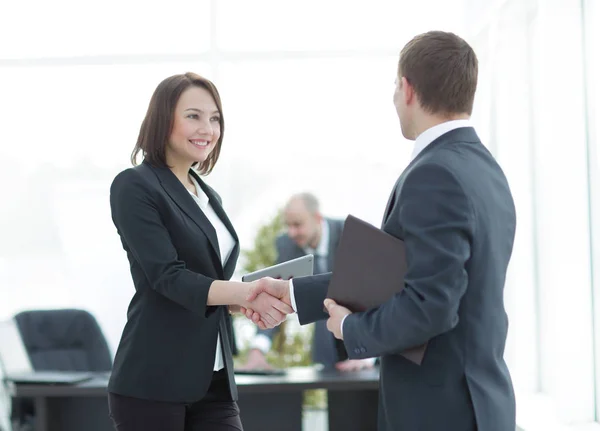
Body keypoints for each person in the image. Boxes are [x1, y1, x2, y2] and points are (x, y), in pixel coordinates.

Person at [244, 31, 517, 431]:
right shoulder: (485, 170)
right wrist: (291, 292)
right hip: (475, 404)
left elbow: (430, 304)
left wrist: (350, 328)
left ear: (407, 88)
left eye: (394, 85)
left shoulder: (434, 174)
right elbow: (397, 278)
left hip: (440, 411)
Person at [107, 72, 291, 431]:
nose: (207, 128)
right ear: (163, 119)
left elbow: (208, 281)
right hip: (154, 380)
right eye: (193, 115)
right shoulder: (135, 185)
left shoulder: (207, 195)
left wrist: (241, 302)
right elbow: (168, 276)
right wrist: (247, 292)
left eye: (215, 118)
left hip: (215, 379)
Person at [242, 193, 374, 372]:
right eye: (288, 225)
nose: (291, 232)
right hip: (328, 350)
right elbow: (273, 294)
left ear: (317, 218)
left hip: (366, 343)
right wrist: (258, 349)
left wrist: (367, 352)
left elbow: (372, 290)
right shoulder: (287, 245)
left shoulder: (351, 234)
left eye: (297, 224)